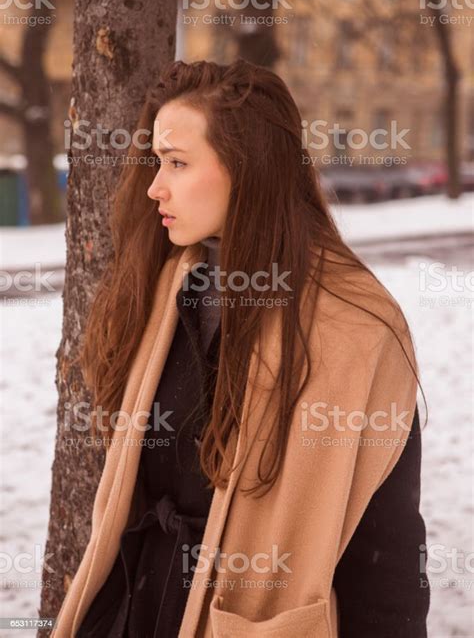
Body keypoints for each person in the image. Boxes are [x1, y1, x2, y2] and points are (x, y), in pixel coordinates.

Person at [53, 59, 430, 637]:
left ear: (249, 169)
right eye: (158, 162)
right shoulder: (163, 289)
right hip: (135, 614)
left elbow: (387, 557)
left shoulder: (356, 327)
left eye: (178, 163)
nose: (156, 186)